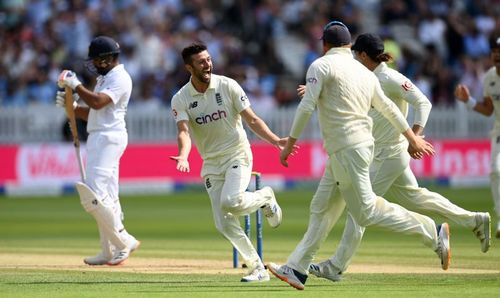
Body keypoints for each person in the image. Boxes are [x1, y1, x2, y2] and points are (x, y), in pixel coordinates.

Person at [267, 21, 449, 290]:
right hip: (354, 148)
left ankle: (432, 233)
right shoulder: (364, 72)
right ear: (349, 46)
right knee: (321, 208)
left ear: (325, 45)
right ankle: (297, 268)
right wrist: (412, 137)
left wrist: (289, 142)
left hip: (348, 148)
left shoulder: (321, 65)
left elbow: (306, 106)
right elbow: (388, 108)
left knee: (365, 212)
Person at [307, 33, 491, 283]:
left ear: (362, 55)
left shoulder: (389, 77)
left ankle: (336, 266)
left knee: (359, 211)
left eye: (355, 55)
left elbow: (423, 102)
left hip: (390, 154)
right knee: (417, 197)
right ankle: (474, 220)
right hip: (382, 154)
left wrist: (414, 137)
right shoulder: (365, 77)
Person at [170, 43, 293, 282]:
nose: (207, 64)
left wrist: (276, 140)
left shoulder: (227, 85)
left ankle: (266, 196)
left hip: (237, 154)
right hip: (211, 163)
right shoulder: (181, 98)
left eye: (208, 59)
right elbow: (183, 131)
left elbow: (252, 120)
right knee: (223, 223)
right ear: (189, 67)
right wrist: (184, 155)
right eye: (200, 62)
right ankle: (257, 268)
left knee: (231, 201)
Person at [56, 36, 140, 266]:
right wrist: (72, 107)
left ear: (107, 59)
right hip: (98, 135)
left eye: (96, 60)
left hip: (108, 138)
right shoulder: (105, 78)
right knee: (108, 197)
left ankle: (124, 239)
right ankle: (107, 250)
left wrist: (77, 86)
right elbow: (93, 112)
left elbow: (97, 103)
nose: (93, 64)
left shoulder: (120, 77)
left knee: (91, 194)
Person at [455, 32, 500, 238]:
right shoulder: (490, 77)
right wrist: (468, 100)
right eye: (495, 52)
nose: (497, 55)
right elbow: (489, 109)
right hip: (499, 131)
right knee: (495, 171)